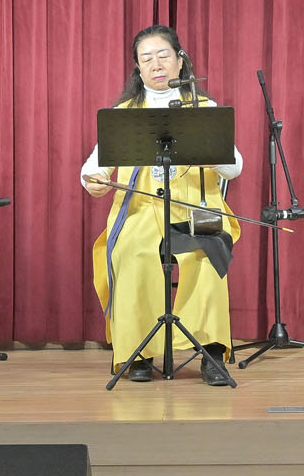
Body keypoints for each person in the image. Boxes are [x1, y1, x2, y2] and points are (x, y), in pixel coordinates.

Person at [82, 25, 242, 385]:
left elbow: (235, 167)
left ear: (180, 61)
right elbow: (95, 167)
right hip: (140, 213)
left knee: (206, 255)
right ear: (138, 70)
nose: (156, 64)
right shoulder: (125, 113)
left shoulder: (203, 108)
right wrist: (93, 180)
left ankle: (212, 352)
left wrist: (208, 150)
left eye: (163, 55)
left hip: (195, 212)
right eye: (146, 59)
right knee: (131, 254)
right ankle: (138, 353)